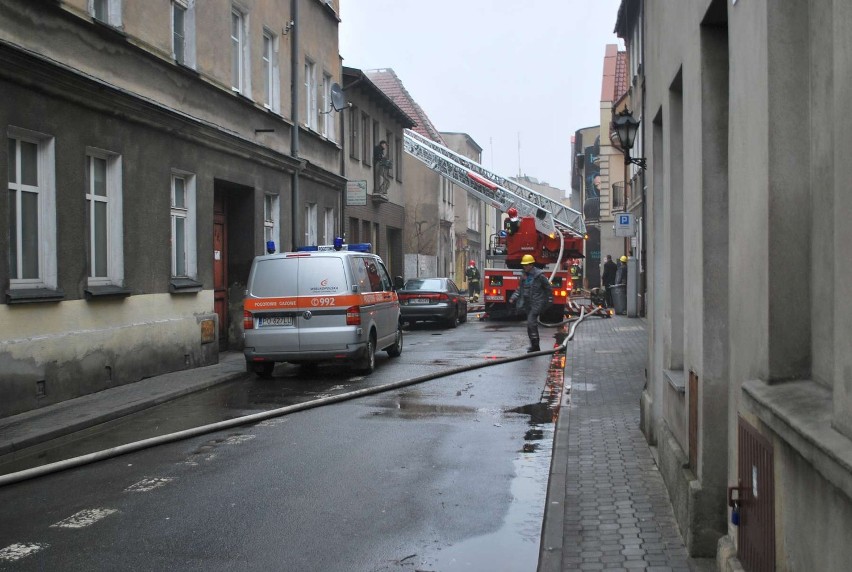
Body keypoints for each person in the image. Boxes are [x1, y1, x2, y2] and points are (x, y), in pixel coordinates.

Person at [509, 254, 553, 353]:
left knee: (531, 322)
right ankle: (534, 345)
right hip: (527, 303)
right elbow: (519, 289)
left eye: (526, 265)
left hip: (537, 303)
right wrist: (513, 298)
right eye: (523, 265)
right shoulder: (524, 276)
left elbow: (548, 288)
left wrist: (549, 300)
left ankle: (536, 345)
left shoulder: (539, 276)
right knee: (530, 325)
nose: (524, 267)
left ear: (531, 265)